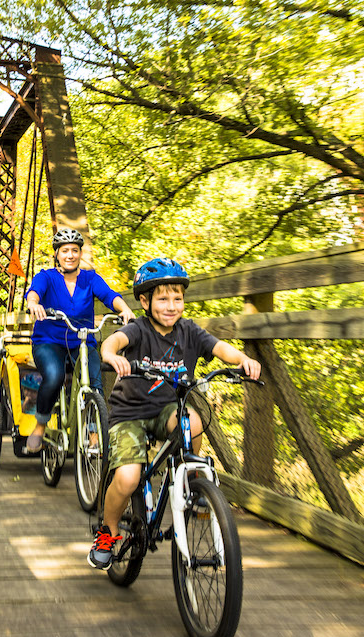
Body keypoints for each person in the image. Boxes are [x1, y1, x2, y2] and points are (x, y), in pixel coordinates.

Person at [87, 257, 261, 570]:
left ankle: (192, 484)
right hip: (130, 413)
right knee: (128, 479)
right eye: (163, 298)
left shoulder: (189, 331)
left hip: (167, 408)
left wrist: (242, 360)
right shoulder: (138, 329)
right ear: (144, 300)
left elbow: (219, 347)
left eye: (177, 298)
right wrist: (110, 354)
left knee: (193, 421)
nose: (171, 305)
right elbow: (116, 340)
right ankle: (108, 531)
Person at [25, 228, 135, 453]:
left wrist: (124, 309)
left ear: (79, 253)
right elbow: (34, 292)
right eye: (65, 250)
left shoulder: (90, 278)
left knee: (93, 381)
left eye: (74, 250)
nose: (70, 255)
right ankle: (40, 424)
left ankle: (93, 433)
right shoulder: (46, 277)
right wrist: (34, 304)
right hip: (48, 340)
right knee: (54, 376)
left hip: (82, 341)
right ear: (57, 254)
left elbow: (109, 295)